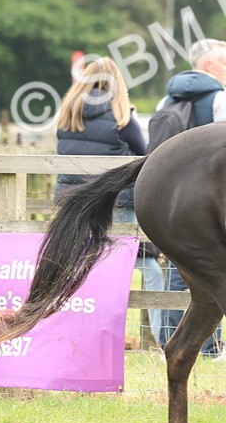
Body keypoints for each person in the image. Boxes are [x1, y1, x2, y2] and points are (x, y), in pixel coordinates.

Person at [54, 57, 165, 345]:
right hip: (116, 200)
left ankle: (83, 331)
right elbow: (143, 154)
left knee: (85, 265)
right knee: (146, 266)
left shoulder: (68, 116)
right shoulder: (122, 117)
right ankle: (160, 338)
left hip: (75, 202)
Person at [153, 39, 226, 361]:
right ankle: (210, 348)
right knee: (214, 271)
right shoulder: (219, 99)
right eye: (225, 62)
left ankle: (171, 342)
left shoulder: (167, 98)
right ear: (208, 65)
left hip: (170, 197)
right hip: (208, 199)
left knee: (178, 271)